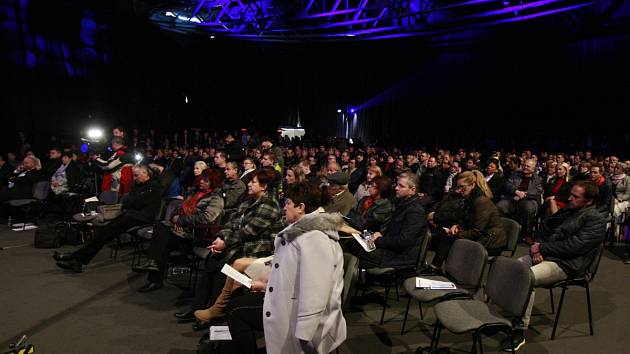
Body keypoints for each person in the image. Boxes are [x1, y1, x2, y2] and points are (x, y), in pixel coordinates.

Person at [502, 181, 606, 351]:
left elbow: (574, 247)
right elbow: (546, 226)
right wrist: (538, 247)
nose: (569, 198)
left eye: (575, 196)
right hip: (547, 253)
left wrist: (542, 248)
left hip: (567, 264)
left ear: (589, 201)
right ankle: (511, 312)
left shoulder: (596, 220)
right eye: (571, 194)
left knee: (526, 277)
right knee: (512, 268)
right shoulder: (569, 209)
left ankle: (519, 329)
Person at [174, 168, 282, 328]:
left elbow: (249, 231)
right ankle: (198, 307)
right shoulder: (249, 200)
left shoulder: (270, 205)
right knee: (213, 259)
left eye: (253, 182)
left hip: (257, 249)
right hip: (239, 243)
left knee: (223, 266)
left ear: (264, 186)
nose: (249, 185)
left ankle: (213, 312)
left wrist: (225, 243)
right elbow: (231, 222)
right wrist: (221, 238)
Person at [262, 182, 347, 354]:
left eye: (287, 203)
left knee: (238, 313)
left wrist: (304, 335)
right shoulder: (304, 233)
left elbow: (315, 292)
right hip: (289, 307)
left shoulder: (314, 237)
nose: (284, 208)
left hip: (303, 327)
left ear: (301, 207)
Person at [54, 165, 163, 273]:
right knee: (103, 233)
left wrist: (130, 202)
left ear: (145, 174)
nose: (134, 178)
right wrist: (130, 202)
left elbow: (135, 202)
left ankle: (76, 258)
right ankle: (77, 260)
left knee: (105, 233)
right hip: (130, 215)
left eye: (136, 175)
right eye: (134, 176)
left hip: (141, 218)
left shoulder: (154, 186)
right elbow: (127, 201)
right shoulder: (138, 185)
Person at [133, 169, 224, 292]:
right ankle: (154, 272)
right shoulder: (194, 193)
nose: (202, 181)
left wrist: (180, 220)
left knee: (162, 237)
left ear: (213, 182)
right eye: (202, 179)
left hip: (197, 234)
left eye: (206, 180)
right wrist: (176, 219)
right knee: (162, 236)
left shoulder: (216, 199)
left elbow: (206, 218)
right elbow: (178, 210)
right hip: (181, 230)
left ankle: (153, 270)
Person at [428, 171, 507, 268]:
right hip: (483, 235)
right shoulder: (469, 199)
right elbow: (465, 220)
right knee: (446, 237)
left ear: (472, 185)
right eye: (458, 186)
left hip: (491, 242)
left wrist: (456, 233)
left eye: (462, 187)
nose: (459, 190)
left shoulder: (481, 202)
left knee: (450, 239)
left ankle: (438, 268)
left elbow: (477, 231)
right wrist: (456, 226)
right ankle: (438, 268)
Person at [349, 172, 426, 269]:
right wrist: (380, 235)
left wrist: (379, 240)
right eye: (397, 185)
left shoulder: (415, 211)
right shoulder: (402, 204)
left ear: (412, 190)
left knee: (355, 251)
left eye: (401, 186)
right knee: (354, 242)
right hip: (390, 248)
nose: (396, 188)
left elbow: (403, 242)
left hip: (399, 256)